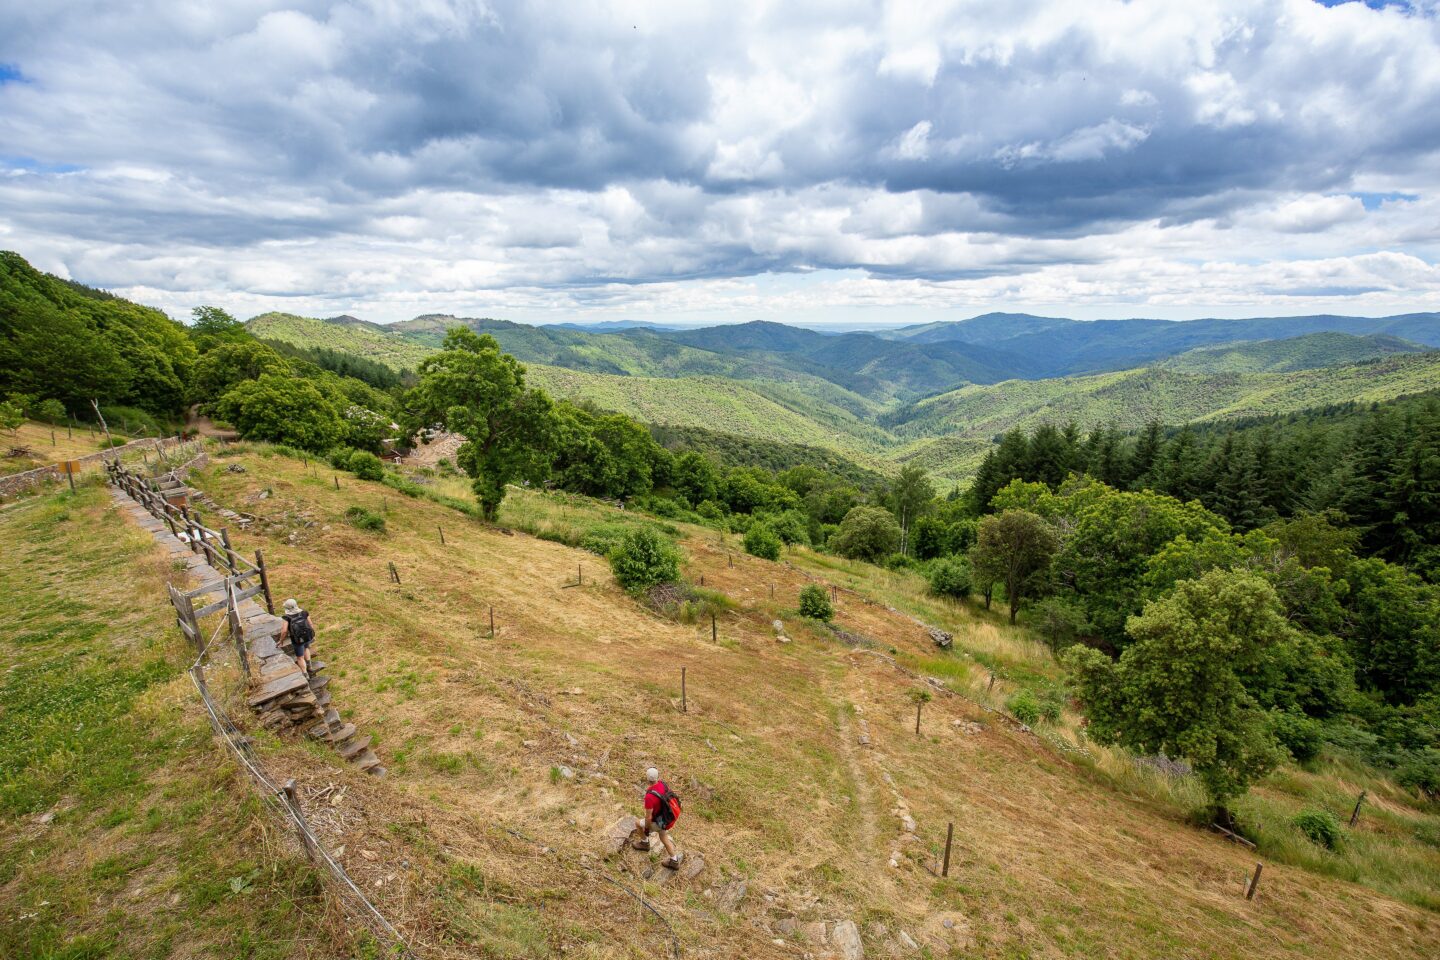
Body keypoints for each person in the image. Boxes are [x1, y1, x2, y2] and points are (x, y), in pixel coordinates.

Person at [633, 766, 683, 869]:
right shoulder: (663, 784)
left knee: (638, 823)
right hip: (667, 819)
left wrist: (647, 829)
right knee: (663, 837)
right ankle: (674, 860)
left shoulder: (649, 797)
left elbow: (648, 818)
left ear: (647, 779)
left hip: (659, 821)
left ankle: (644, 843)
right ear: (657, 777)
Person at [279, 598, 317, 675]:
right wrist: (312, 635)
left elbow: (284, 631)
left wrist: (281, 640)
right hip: (307, 636)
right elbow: (310, 624)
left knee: (300, 657)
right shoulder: (304, 613)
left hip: (297, 639)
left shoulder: (286, 617)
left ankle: (305, 674)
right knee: (306, 648)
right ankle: (310, 667)